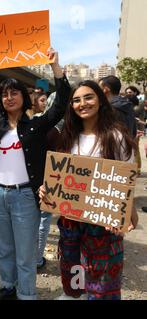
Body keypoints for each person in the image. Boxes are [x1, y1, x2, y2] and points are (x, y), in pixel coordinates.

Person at [0, 48, 71, 300]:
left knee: (26, 252)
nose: (9, 98)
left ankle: (27, 294)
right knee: (4, 249)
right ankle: (8, 287)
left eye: (14, 93)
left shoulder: (37, 124)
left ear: (24, 96)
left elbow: (62, 105)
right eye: (5, 94)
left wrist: (56, 69)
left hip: (25, 197)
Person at [39, 80, 138, 300]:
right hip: (71, 219)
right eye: (76, 100)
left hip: (103, 222)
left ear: (101, 101)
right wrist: (48, 190)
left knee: (102, 278)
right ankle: (73, 294)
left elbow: (125, 179)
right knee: (73, 265)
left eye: (88, 97)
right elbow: (59, 175)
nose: (82, 103)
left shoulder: (117, 136)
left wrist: (127, 214)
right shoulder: (67, 136)